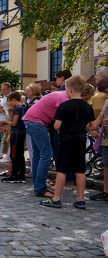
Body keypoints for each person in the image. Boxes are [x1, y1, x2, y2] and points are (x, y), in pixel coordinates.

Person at [40, 75, 96, 209]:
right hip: (80, 140)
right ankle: (80, 199)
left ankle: (56, 198)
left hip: (66, 140)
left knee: (62, 170)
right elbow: (93, 126)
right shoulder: (87, 106)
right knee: (80, 170)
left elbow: (57, 125)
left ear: (69, 89)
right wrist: (83, 129)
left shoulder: (64, 106)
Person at [22, 88, 68, 198]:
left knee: (38, 155)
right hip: (36, 122)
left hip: (31, 120)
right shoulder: (64, 98)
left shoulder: (60, 94)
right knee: (46, 154)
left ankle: (38, 186)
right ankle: (40, 188)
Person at [0, 92, 26, 183]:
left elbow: (14, 123)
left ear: (14, 99)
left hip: (16, 134)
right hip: (22, 133)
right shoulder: (24, 107)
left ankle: (14, 175)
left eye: (9, 102)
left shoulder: (17, 109)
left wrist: (5, 122)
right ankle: (21, 175)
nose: (8, 104)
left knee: (14, 154)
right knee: (20, 155)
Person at [89, 78, 108, 200]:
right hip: (106, 138)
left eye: (107, 91)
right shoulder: (107, 102)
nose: (106, 94)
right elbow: (100, 118)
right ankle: (106, 192)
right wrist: (92, 128)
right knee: (106, 164)